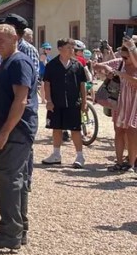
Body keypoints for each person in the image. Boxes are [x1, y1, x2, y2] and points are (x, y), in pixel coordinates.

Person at [0, 24, 39, 250]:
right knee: (15, 180)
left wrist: (4, 133)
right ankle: (18, 230)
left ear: (14, 39)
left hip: (17, 131)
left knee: (7, 180)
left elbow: (20, 101)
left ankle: (10, 233)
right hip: (13, 129)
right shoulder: (6, 63)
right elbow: (1, 104)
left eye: (1, 40)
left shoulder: (19, 62)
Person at [41, 39, 90, 168]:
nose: (72, 50)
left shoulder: (77, 65)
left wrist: (84, 102)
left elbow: (82, 85)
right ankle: (56, 155)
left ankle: (80, 156)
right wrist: (48, 100)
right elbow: (47, 84)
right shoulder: (51, 65)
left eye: (72, 48)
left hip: (73, 103)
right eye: (69, 47)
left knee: (75, 129)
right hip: (56, 103)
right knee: (56, 128)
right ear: (60, 48)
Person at [93, 37, 137, 175]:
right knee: (119, 132)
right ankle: (119, 162)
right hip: (119, 103)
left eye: (126, 57)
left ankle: (131, 163)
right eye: (122, 56)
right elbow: (96, 65)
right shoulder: (119, 63)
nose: (124, 59)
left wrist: (121, 75)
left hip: (134, 104)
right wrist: (106, 68)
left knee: (132, 133)